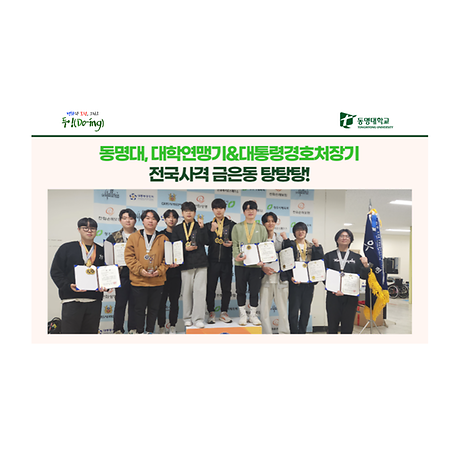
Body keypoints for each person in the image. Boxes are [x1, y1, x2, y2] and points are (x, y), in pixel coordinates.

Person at [50, 217, 107, 334]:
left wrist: (106, 285)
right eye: (85, 228)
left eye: (92, 228)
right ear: (79, 229)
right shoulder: (66, 248)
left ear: (96, 231)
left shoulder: (102, 251)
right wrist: (68, 285)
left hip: (94, 301)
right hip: (72, 300)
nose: (89, 231)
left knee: (90, 335)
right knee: (71, 336)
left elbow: (106, 272)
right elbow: (56, 271)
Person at [124, 210, 169, 334]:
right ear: (143, 221)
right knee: (138, 309)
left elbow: (167, 259)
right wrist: (140, 270)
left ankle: (150, 332)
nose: (150, 221)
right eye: (148, 218)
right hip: (139, 281)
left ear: (157, 222)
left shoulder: (163, 238)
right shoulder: (134, 237)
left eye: (153, 219)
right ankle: (139, 332)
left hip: (157, 281)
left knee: (154, 309)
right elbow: (129, 257)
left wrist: (159, 271)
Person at [323, 229, 370, 334]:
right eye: (341, 236)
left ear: (350, 240)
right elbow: (324, 276)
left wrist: (366, 265)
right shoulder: (329, 256)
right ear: (337, 239)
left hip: (350, 297)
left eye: (347, 236)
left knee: (348, 327)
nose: (344, 238)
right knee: (332, 327)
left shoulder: (357, 258)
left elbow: (363, 276)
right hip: (333, 296)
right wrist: (333, 289)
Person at [171, 201, 209, 328]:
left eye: (191, 211)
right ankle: (187, 317)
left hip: (201, 263)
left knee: (200, 291)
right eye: (186, 211)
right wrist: (184, 248)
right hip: (185, 263)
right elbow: (175, 246)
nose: (189, 213)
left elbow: (206, 241)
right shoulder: (177, 229)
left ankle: (198, 318)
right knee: (186, 292)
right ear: (182, 213)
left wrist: (202, 228)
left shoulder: (200, 226)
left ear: (195, 213)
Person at [231, 200, 268, 326]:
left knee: (254, 291)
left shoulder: (261, 228)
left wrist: (263, 260)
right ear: (243, 212)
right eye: (247, 209)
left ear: (256, 211)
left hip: (256, 266)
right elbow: (235, 245)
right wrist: (236, 256)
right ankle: (242, 315)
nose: (250, 211)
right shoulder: (237, 227)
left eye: (252, 209)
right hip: (240, 265)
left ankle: (253, 315)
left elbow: (264, 246)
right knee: (240, 290)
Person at [284, 222, 324, 334]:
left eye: (303, 230)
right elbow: (286, 261)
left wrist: (317, 246)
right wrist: (290, 277)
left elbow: (319, 261)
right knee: (293, 311)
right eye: (298, 230)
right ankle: (294, 333)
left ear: (306, 232)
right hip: (295, 282)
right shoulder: (290, 245)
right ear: (294, 232)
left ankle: (302, 333)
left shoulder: (312, 246)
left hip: (308, 283)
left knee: (306, 310)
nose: (300, 232)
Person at [106, 208, 138, 334]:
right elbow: (108, 258)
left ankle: (133, 329)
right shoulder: (113, 237)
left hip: (137, 275)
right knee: (120, 304)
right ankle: (117, 329)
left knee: (135, 305)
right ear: (120, 221)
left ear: (135, 220)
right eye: (124, 218)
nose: (128, 221)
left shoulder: (141, 236)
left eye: (130, 218)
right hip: (121, 276)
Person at [204, 199, 235, 324]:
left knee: (226, 288)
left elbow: (237, 242)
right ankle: (211, 312)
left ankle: (224, 312)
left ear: (224, 209)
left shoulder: (232, 225)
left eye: (221, 208)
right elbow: (205, 242)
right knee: (210, 288)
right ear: (212, 210)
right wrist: (211, 231)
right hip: (212, 261)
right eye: (216, 208)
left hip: (226, 261)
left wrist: (232, 244)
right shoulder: (208, 225)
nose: (218, 210)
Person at [259, 212, 290, 334]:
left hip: (280, 280)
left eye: (272, 221)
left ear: (276, 223)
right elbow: (255, 259)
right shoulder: (259, 240)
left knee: (283, 311)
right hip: (265, 280)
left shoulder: (281, 239)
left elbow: (288, 258)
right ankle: (267, 335)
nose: (270, 223)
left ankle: (284, 334)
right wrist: (263, 268)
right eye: (267, 221)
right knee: (264, 311)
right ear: (263, 223)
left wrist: (286, 239)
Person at [157, 209, 181, 334]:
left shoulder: (181, 234)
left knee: (174, 301)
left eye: (174, 217)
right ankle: (161, 326)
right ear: (164, 219)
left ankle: (173, 326)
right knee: (161, 302)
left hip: (177, 273)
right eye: (168, 217)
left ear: (177, 219)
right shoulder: (160, 235)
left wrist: (179, 262)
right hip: (162, 274)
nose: (171, 219)